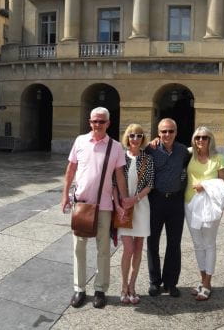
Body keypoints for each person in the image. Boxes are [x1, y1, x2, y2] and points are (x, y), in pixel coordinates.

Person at [61, 107, 130, 309]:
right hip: (81, 204)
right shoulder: (80, 141)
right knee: (78, 248)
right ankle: (79, 289)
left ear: (108, 123)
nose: (97, 125)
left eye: (101, 121)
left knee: (103, 250)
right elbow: (70, 169)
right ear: (89, 122)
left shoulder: (116, 147)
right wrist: (65, 194)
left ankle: (100, 289)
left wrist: (124, 201)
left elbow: (119, 176)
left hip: (105, 206)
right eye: (94, 121)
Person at [144, 118, 191, 298]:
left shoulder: (182, 151)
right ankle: (155, 282)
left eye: (170, 131)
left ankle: (171, 283)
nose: (167, 135)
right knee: (152, 242)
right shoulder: (151, 149)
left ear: (176, 132)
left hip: (175, 202)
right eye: (164, 131)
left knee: (174, 243)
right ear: (158, 133)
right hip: (155, 199)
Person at [184, 126, 224, 301]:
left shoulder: (218, 159)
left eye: (204, 137)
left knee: (209, 243)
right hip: (189, 204)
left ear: (210, 140)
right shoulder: (189, 154)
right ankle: (203, 279)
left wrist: (206, 185)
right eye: (197, 138)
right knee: (197, 243)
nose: (200, 140)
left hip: (210, 206)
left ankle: (208, 283)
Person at [117, 123, 154, 305]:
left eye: (139, 135)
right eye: (132, 135)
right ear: (127, 137)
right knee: (128, 249)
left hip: (141, 207)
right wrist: (120, 204)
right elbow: (114, 183)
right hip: (124, 208)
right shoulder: (121, 158)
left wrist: (136, 199)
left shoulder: (148, 159)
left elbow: (150, 184)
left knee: (139, 249)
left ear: (142, 138)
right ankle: (123, 285)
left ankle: (132, 286)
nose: (135, 139)